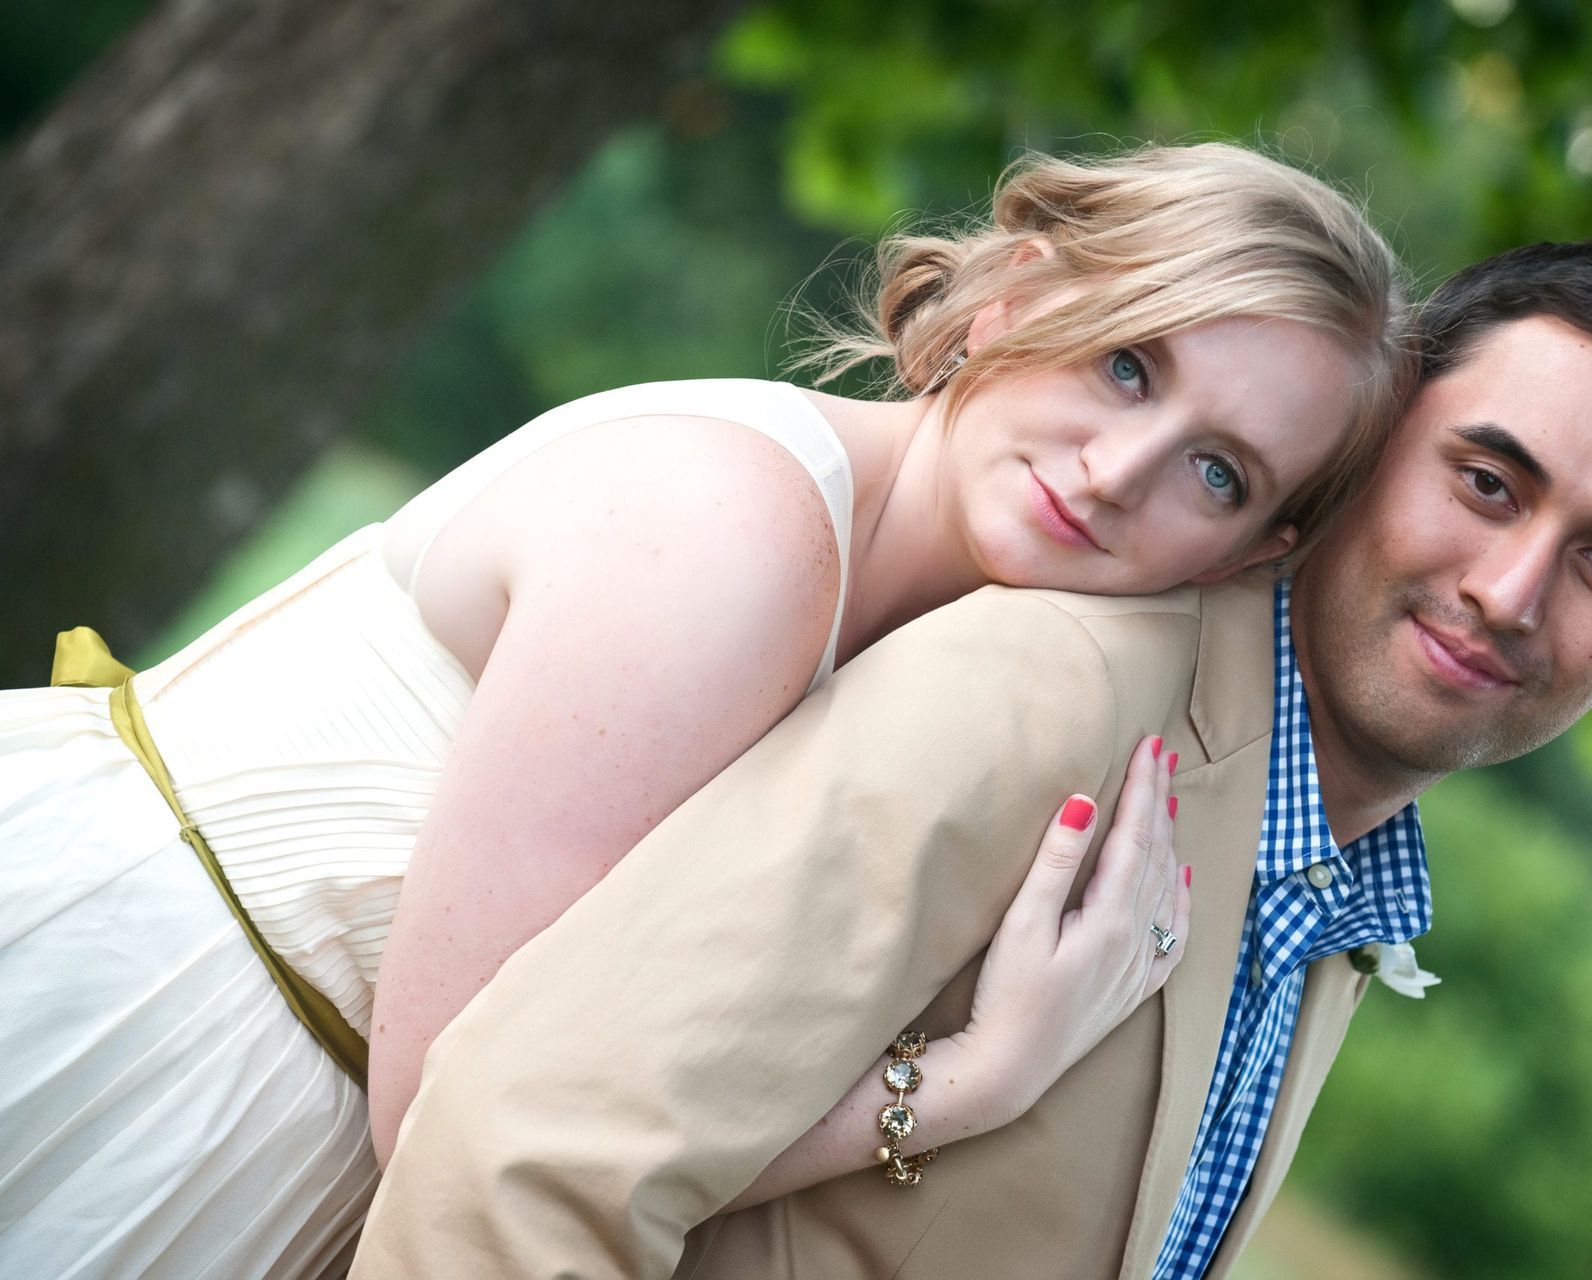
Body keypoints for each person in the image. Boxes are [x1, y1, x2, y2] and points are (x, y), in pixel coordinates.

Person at [0, 142, 1409, 1280]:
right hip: (136, 1058)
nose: (1119, 469)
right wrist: (965, 1084)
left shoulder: (926, 660)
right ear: (1018, 298)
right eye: (1129, 364)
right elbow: (463, 1112)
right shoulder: (737, 538)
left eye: (1218, 473)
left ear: (1247, 560)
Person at [350, 240, 1592, 1280]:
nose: (1512, 588)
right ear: (1363, 460)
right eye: (1486, 482)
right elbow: (520, 1158)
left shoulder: (1337, 905)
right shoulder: (1055, 693)